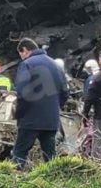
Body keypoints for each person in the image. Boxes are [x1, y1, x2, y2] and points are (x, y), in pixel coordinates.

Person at [12, 38, 69, 169]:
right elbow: (65, 92)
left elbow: (22, 94)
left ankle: (13, 184)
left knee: (19, 153)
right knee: (50, 157)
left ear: (25, 50)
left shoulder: (27, 64)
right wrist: (55, 108)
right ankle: (55, 182)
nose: (21, 58)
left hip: (30, 120)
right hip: (51, 120)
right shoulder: (56, 65)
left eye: (21, 54)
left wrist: (19, 114)